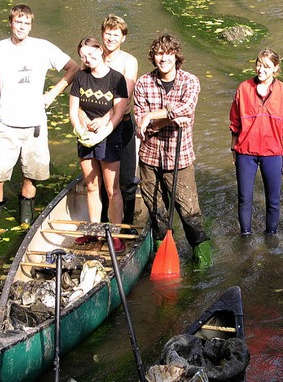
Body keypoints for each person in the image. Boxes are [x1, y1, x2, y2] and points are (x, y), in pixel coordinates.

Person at [0, 3, 79, 241]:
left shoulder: (43, 48)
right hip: (6, 124)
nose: (22, 27)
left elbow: (73, 68)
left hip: (35, 124)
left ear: (31, 25)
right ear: (11, 23)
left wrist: (52, 94)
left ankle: (26, 222)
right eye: (18, 22)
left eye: (26, 23)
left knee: (30, 175)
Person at [133, 33, 211, 267]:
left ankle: (203, 261)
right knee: (156, 211)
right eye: (158, 53)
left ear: (176, 56)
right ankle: (162, 256)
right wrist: (167, 117)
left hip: (180, 159)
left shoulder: (190, 81)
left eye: (168, 53)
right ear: (153, 57)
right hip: (148, 158)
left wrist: (151, 116)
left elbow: (186, 108)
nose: (163, 58)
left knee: (189, 213)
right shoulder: (143, 83)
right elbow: (142, 128)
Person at [69, 37, 128, 251]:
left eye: (92, 55)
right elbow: (74, 109)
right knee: (92, 185)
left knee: (112, 189)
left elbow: (119, 112)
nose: (88, 59)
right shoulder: (80, 78)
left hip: (109, 136)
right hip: (86, 137)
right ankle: (94, 231)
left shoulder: (116, 78)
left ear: (101, 52)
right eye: (83, 56)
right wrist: (80, 127)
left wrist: (104, 131)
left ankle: (115, 234)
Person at [229, 49, 283, 235]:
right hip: (245, 152)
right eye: (258, 64)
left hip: (273, 152)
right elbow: (234, 120)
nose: (260, 69)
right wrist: (233, 148)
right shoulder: (244, 88)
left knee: (273, 200)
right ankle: (245, 235)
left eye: (266, 66)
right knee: (244, 197)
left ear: (276, 68)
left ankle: (271, 236)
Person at [99, 14, 140, 225]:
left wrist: (106, 118)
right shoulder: (94, 57)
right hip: (97, 127)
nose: (111, 38)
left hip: (121, 125)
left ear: (123, 37)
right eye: (108, 33)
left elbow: (126, 95)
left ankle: (128, 224)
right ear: (102, 34)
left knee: (125, 179)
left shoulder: (128, 61)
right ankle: (103, 223)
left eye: (116, 34)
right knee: (101, 182)